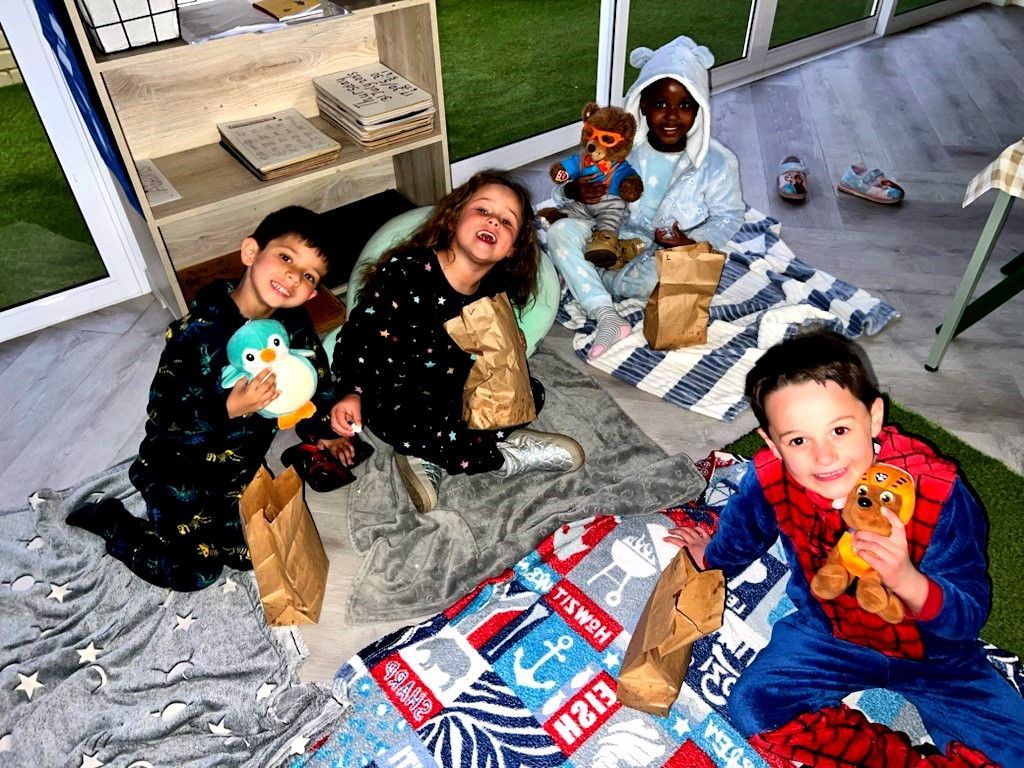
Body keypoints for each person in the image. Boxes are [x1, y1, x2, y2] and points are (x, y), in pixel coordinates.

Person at [666, 330, 1024, 765]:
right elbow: (745, 533)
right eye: (798, 440)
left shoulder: (939, 493)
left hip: (937, 656)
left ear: (874, 418)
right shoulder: (768, 479)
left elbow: (967, 617)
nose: (824, 457)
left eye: (839, 430)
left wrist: (906, 579)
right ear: (771, 444)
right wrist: (712, 557)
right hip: (831, 635)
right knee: (754, 708)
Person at [67, 206, 354, 591]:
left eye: (307, 275)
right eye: (285, 257)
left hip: (239, 470)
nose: (292, 275)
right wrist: (230, 408)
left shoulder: (294, 325)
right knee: (196, 574)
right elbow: (164, 413)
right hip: (179, 470)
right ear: (251, 253)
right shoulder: (198, 333)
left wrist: (325, 430)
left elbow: (313, 383)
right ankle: (112, 522)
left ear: (313, 292)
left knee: (255, 555)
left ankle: (213, 521)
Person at [329, 170, 584, 514]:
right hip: (398, 396)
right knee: (416, 423)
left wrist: (510, 340)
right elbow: (359, 336)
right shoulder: (407, 273)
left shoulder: (495, 287)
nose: (493, 221)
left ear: (511, 249)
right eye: (483, 211)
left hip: (453, 390)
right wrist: (351, 391)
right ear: (453, 220)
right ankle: (500, 456)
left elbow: (487, 348)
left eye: (506, 222)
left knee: (530, 392)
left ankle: (429, 451)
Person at [545, 35, 744, 359]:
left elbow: (730, 215)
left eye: (685, 106)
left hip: (659, 252)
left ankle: (591, 284)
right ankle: (608, 317)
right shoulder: (618, 146)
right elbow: (565, 184)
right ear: (642, 105)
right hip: (606, 234)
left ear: (699, 110)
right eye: (661, 104)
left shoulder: (717, 163)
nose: (671, 116)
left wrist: (690, 243)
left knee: (670, 273)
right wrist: (572, 189)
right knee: (559, 232)